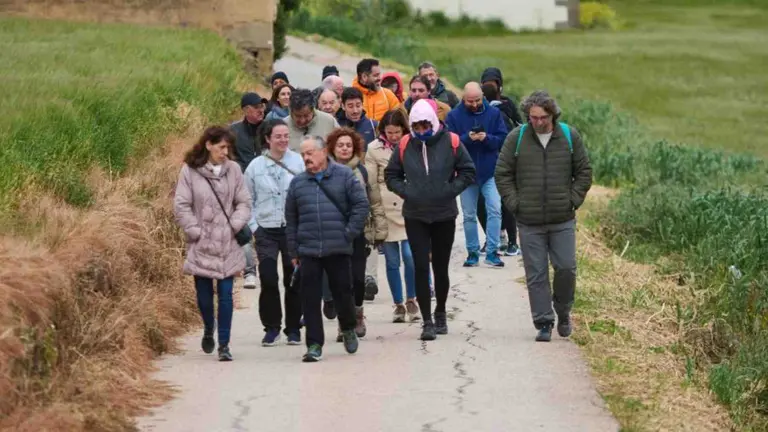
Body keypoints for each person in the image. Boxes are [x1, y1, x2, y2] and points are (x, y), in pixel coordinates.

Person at [494, 90, 593, 342]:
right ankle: (543, 321)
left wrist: (572, 200)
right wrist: (516, 204)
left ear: (553, 115)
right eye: (532, 117)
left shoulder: (569, 137)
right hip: (529, 221)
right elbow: (502, 174)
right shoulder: (516, 138)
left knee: (566, 268)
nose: (537, 123)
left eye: (542, 118)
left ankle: (563, 311)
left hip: (562, 219)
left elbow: (584, 172)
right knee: (536, 273)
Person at [384, 99, 475, 341]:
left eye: (426, 127)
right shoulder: (405, 145)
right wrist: (406, 191)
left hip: (444, 213)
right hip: (416, 215)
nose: (422, 132)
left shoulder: (452, 142)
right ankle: (426, 321)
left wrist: (449, 190)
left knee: (440, 267)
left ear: (433, 123)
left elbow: (468, 171)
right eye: (417, 128)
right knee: (420, 266)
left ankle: (441, 311)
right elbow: (391, 175)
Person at [286, 135, 370, 362]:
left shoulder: (343, 176)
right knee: (310, 298)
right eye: (303, 154)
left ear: (324, 152)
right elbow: (291, 219)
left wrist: (349, 233)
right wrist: (293, 251)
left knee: (343, 292)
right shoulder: (298, 183)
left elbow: (361, 205)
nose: (306, 158)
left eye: (310, 153)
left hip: (338, 246)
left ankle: (349, 327)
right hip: (309, 249)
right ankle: (314, 344)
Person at [173, 126, 252, 361]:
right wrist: (194, 230)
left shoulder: (234, 170)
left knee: (227, 294)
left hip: (227, 241)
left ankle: (224, 344)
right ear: (208, 145)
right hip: (202, 241)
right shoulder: (190, 171)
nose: (225, 152)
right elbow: (181, 205)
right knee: (204, 294)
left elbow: (244, 202)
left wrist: (234, 225)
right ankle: (209, 327)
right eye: (221, 147)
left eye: (228, 147)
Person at [244, 119, 305, 347]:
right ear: (268, 139)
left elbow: (304, 194)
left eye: (286, 136)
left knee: (293, 278)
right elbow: (246, 199)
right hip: (265, 230)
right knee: (269, 278)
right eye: (278, 136)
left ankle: (293, 328)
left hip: (290, 229)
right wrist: (254, 227)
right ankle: (271, 327)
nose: (283, 140)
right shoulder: (255, 167)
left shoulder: (298, 162)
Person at [326, 128, 387, 341]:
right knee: (340, 280)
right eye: (340, 145)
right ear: (332, 148)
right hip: (333, 233)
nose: (344, 149)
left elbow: (375, 201)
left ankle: (358, 312)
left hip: (360, 231)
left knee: (358, 279)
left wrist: (380, 230)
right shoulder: (325, 171)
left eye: (348, 145)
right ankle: (345, 324)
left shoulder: (362, 171)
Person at [366, 109, 421, 322]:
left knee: (410, 256)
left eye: (397, 132)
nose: (393, 136)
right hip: (384, 208)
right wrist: (374, 207)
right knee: (391, 260)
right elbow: (371, 181)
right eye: (389, 132)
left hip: (409, 205)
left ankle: (412, 298)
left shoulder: (414, 144)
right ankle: (398, 303)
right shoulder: (373, 149)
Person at [445, 82, 508, 268]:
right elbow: (449, 142)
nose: (474, 104)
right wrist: (466, 139)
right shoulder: (454, 116)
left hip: (489, 171)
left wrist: (486, 138)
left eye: (477, 100)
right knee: (469, 214)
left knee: (495, 209)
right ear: (463, 98)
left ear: (483, 97)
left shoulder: (494, 114)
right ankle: (472, 252)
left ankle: (492, 251)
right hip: (466, 173)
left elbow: (503, 139)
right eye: (470, 101)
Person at [230, 92, 267, 289]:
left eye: (262, 106)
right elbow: (228, 157)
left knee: (263, 228)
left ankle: (267, 265)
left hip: (266, 187)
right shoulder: (233, 131)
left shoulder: (270, 128)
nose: (261, 110)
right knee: (243, 227)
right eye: (256, 107)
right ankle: (250, 271)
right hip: (241, 186)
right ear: (246, 110)